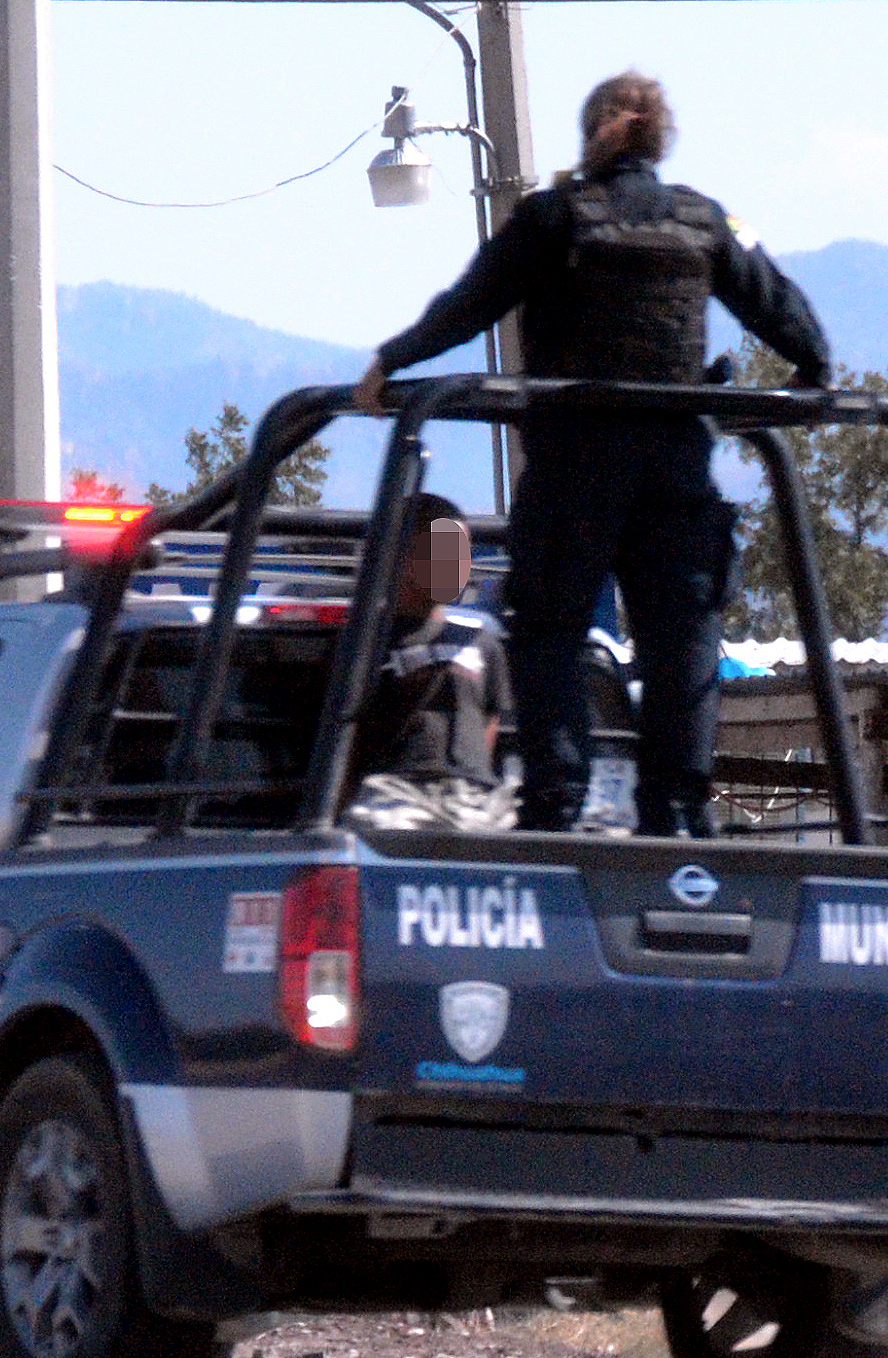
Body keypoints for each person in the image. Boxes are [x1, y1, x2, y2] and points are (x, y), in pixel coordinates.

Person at [355, 72, 832, 838]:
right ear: (662, 140)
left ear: (589, 136)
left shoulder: (553, 219)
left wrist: (391, 364)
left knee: (549, 632)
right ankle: (676, 814)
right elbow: (778, 301)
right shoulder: (702, 221)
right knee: (684, 641)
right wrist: (813, 376)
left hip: (577, 466)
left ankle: (555, 802)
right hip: (677, 469)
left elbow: (473, 301)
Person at [342, 493, 516, 833]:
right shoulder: (363, 645)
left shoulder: (483, 643)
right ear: (403, 557)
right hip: (396, 795)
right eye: (443, 553)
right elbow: (347, 737)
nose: (458, 565)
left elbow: (488, 724)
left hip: (474, 798)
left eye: (462, 553)